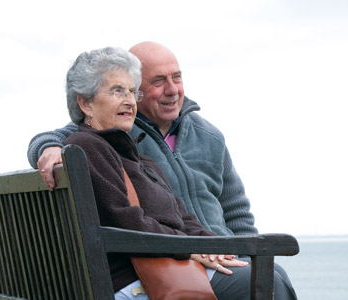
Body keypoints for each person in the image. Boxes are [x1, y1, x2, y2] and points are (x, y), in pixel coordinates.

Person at [60, 47, 297, 300]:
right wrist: (191, 249)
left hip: (169, 262)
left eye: (131, 91)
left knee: (269, 272)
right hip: (140, 278)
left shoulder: (140, 159)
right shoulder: (89, 146)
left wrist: (218, 249)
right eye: (118, 91)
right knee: (264, 281)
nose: (129, 100)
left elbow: (184, 217)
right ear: (85, 103)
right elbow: (127, 221)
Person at [27, 41, 256, 237]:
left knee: (272, 277)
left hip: (219, 254)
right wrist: (50, 147)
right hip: (180, 261)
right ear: (139, 89)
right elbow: (72, 134)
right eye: (158, 81)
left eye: (177, 77)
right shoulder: (118, 130)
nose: (172, 89)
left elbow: (237, 211)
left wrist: (252, 259)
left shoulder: (210, 136)